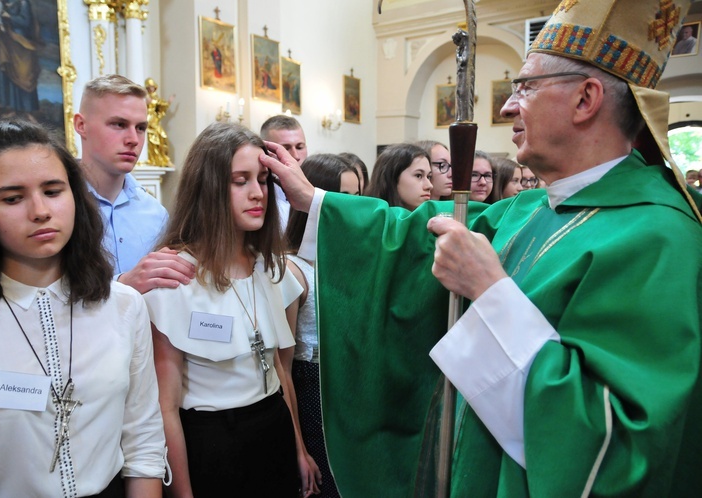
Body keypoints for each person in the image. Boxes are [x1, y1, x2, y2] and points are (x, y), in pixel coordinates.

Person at [261, 1, 702, 495]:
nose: (508, 106)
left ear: (586, 99)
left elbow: (619, 449)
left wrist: (490, 291)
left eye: (526, 87)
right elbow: (415, 235)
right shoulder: (533, 208)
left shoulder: (660, 238)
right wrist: (314, 200)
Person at [0, 119, 166, 497]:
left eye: (52, 191)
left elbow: (143, 440)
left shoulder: (123, 306)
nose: (40, 211)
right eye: (12, 198)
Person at [144, 122, 318, 498]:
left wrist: (299, 450)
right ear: (208, 187)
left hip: (273, 430)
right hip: (213, 441)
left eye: (262, 179)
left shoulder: (271, 268)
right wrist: (183, 493)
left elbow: (278, 370)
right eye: (240, 181)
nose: (258, 193)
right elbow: (166, 406)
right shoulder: (175, 276)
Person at [73, 74, 194, 294]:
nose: (133, 139)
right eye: (119, 124)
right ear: (81, 125)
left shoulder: (155, 214)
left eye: (140, 128)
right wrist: (123, 285)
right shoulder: (59, 207)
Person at [284, 154, 360, 498]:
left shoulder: (350, 257)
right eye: (343, 198)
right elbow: (282, 369)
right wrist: (298, 448)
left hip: (349, 382)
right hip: (313, 385)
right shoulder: (293, 267)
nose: (352, 208)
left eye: (357, 198)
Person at [261, 115, 309, 230]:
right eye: (286, 148)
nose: (296, 156)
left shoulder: (318, 185)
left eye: (300, 147)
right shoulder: (259, 193)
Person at [366, 143, 433, 210]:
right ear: (392, 178)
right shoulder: (371, 218)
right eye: (418, 176)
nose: (430, 186)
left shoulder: (434, 218)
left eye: (429, 177)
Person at [144, 77, 173, 167]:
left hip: (154, 119)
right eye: (149, 87)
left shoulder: (155, 97)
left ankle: (162, 159)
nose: (151, 89)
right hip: (147, 118)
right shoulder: (145, 97)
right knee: (151, 139)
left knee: (162, 136)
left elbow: (161, 105)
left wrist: (168, 102)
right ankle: (152, 159)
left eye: (152, 87)